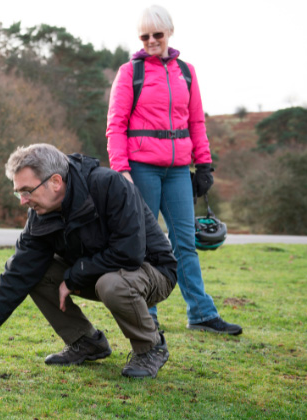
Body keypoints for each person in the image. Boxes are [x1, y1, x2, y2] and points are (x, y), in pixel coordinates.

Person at [0, 144, 178, 378]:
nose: (23, 200)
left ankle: (150, 348)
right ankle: (85, 342)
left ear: (55, 181)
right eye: (18, 192)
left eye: (27, 191)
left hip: (152, 270)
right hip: (100, 274)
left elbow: (129, 252)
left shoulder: (110, 185)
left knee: (112, 284)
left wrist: (74, 276)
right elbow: (18, 274)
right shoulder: (40, 214)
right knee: (36, 272)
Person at [106, 5, 242, 335]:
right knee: (143, 245)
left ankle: (201, 313)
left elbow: (196, 121)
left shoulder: (187, 72)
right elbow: (115, 125)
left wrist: (204, 164)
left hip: (179, 170)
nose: (151, 40)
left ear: (169, 32)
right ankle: (146, 315)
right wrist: (121, 169)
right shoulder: (130, 72)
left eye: (157, 34)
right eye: (145, 36)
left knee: (185, 243)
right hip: (141, 169)